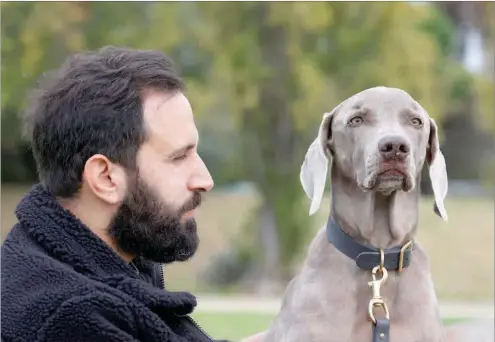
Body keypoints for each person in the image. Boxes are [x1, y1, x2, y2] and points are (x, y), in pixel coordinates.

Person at [1, 46, 265, 342]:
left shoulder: (107, 259)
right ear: (105, 178)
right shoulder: (71, 320)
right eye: (179, 157)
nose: (205, 180)